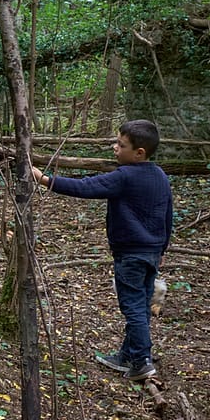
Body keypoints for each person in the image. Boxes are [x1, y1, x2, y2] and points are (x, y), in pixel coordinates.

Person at [32, 119, 173, 381]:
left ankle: (142, 361)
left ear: (139, 152)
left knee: (132, 306)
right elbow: (168, 217)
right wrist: (162, 248)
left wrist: (46, 180)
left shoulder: (124, 176)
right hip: (151, 252)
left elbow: (87, 187)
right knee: (141, 304)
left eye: (121, 145)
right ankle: (128, 355)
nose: (114, 148)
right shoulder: (160, 176)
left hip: (131, 254)